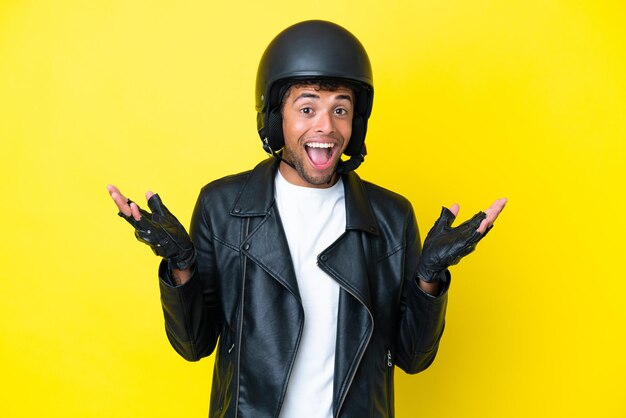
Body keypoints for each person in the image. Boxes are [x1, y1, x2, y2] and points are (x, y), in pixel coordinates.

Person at [107, 20, 506, 418]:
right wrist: (181, 268)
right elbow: (193, 345)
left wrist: (429, 279)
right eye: (307, 107)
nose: (325, 126)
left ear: (356, 122)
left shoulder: (391, 218)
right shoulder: (222, 207)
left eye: (340, 109)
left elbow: (413, 358)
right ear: (276, 116)